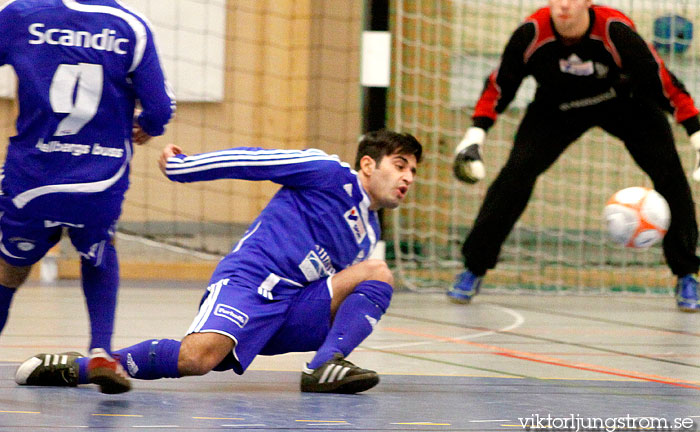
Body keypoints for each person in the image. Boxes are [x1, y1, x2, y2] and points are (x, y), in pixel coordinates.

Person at [15, 130, 422, 394]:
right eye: (399, 166)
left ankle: (323, 366)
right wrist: (182, 167)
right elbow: (254, 161)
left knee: (376, 273)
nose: (407, 178)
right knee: (197, 359)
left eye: (413, 172)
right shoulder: (328, 171)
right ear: (368, 165)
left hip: (293, 309)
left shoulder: (370, 233)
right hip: (251, 283)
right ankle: (82, 367)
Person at [447, 0, 700, 312]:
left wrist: (697, 135)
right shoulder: (531, 34)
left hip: (625, 104)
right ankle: (474, 267)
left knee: (670, 176)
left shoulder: (615, 30)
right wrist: (475, 135)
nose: (564, 5)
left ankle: (687, 273)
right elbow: (500, 86)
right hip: (557, 109)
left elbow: (663, 82)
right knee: (515, 176)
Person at [0, 0, 175, 394]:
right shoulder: (131, 26)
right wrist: (146, 126)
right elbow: (160, 109)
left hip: (32, 177)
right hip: (100, 179)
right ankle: (100, 350)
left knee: (9, 271)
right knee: (99, 251)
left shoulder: (21, 15)